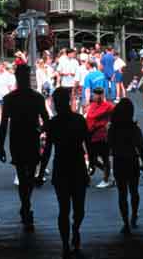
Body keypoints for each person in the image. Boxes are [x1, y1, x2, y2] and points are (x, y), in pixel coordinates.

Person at [37, 87, 90, 257]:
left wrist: (40, 173)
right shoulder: (79, 120)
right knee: (79, 208)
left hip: (61, 167)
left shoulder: (53, 123)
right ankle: (74, 231)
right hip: (77, 166)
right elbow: (87, 142)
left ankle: (66, 241)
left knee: (64, 208)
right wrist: (92, 163)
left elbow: (47, 151)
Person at [0, 64, 50, 231]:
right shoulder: (36, 97)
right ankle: (26, 205)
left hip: (17, 139)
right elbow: (46, 119)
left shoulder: (9, 98)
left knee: (22, 174)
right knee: (29, 175)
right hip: (31, 138)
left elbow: (4, 124)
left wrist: (1, 146)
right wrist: (40, 130)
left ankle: (26, 205)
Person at [108, 98, 143, 233]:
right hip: (132, 161)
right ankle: (133, 216)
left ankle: (125, 221)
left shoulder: (113, 129)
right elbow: (140, 148)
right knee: (134, 191)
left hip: (119, 162)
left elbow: (110, 148)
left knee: (122, 193)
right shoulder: (134, 128)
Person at [85, 87, 115, 188]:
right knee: (92, 160)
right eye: (95, 94)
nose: (96, 96)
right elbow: (89, 118)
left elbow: (116, 116)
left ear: (102, 95)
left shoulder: (108, 106)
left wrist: (109, 125)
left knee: (105, 157)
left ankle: (107, 179)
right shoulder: (92, 105)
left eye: (99, 94)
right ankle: (109, 173)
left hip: (102, 136)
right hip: (90, 136)